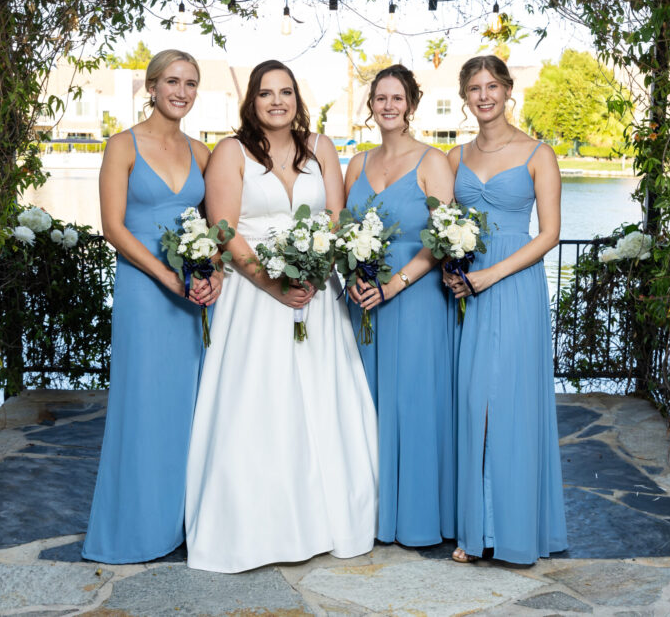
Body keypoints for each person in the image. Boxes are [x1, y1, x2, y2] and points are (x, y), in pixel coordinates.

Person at [185, 60, 378, 574]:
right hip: (255, 296)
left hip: (317, 292)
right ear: (251, 101)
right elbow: (224, 228)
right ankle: (256, 526)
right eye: (266, 93)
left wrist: (317, 273)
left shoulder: (322, 149)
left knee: (320, 398)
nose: (277, 101)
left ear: (297, 99)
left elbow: (335, 218)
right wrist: (273, 285)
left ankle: (325, 520)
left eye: (286, 92)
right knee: (259, 400)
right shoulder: (232, 152)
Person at [82, 50, 221, 563]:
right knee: (142, 406)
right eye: (171, 82)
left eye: (189, 83)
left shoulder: (203, 153)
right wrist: (166, 276)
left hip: (192, 296)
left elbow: (219, 227)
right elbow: (113, 227)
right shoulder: (122, 146)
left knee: (189, 406)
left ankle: (183, 523)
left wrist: (215, 273)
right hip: (146, 291)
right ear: (151, 86)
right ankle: (136, 528)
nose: (180, 92)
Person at [445, 55, 567, 564]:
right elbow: (441, 223)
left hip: (513, 288)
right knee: (475, 405)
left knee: (511, 405)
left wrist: (490, 276)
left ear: (508, 90)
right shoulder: (452, 158)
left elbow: (550, 233)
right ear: (465, 96)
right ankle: (477, 530)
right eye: (474, 88)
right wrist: (452, 270)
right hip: (464, 291)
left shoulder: (539, 154)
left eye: (492, 85)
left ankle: (513, 531)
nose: (484, 96)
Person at [344, 64, 456, 547]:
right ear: (370, 105)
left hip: (414, 302)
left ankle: (414, 517)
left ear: (410, 104)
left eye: (397, 98)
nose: (388, 106)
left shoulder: (432, 162)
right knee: (364, 405)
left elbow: (443, 240)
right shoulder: (355, 163)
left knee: (413, 403)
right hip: (362, 302)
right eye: (380, 98)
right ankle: (367, 516)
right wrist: (351, 276)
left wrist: (394, 286)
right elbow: (341, 231)